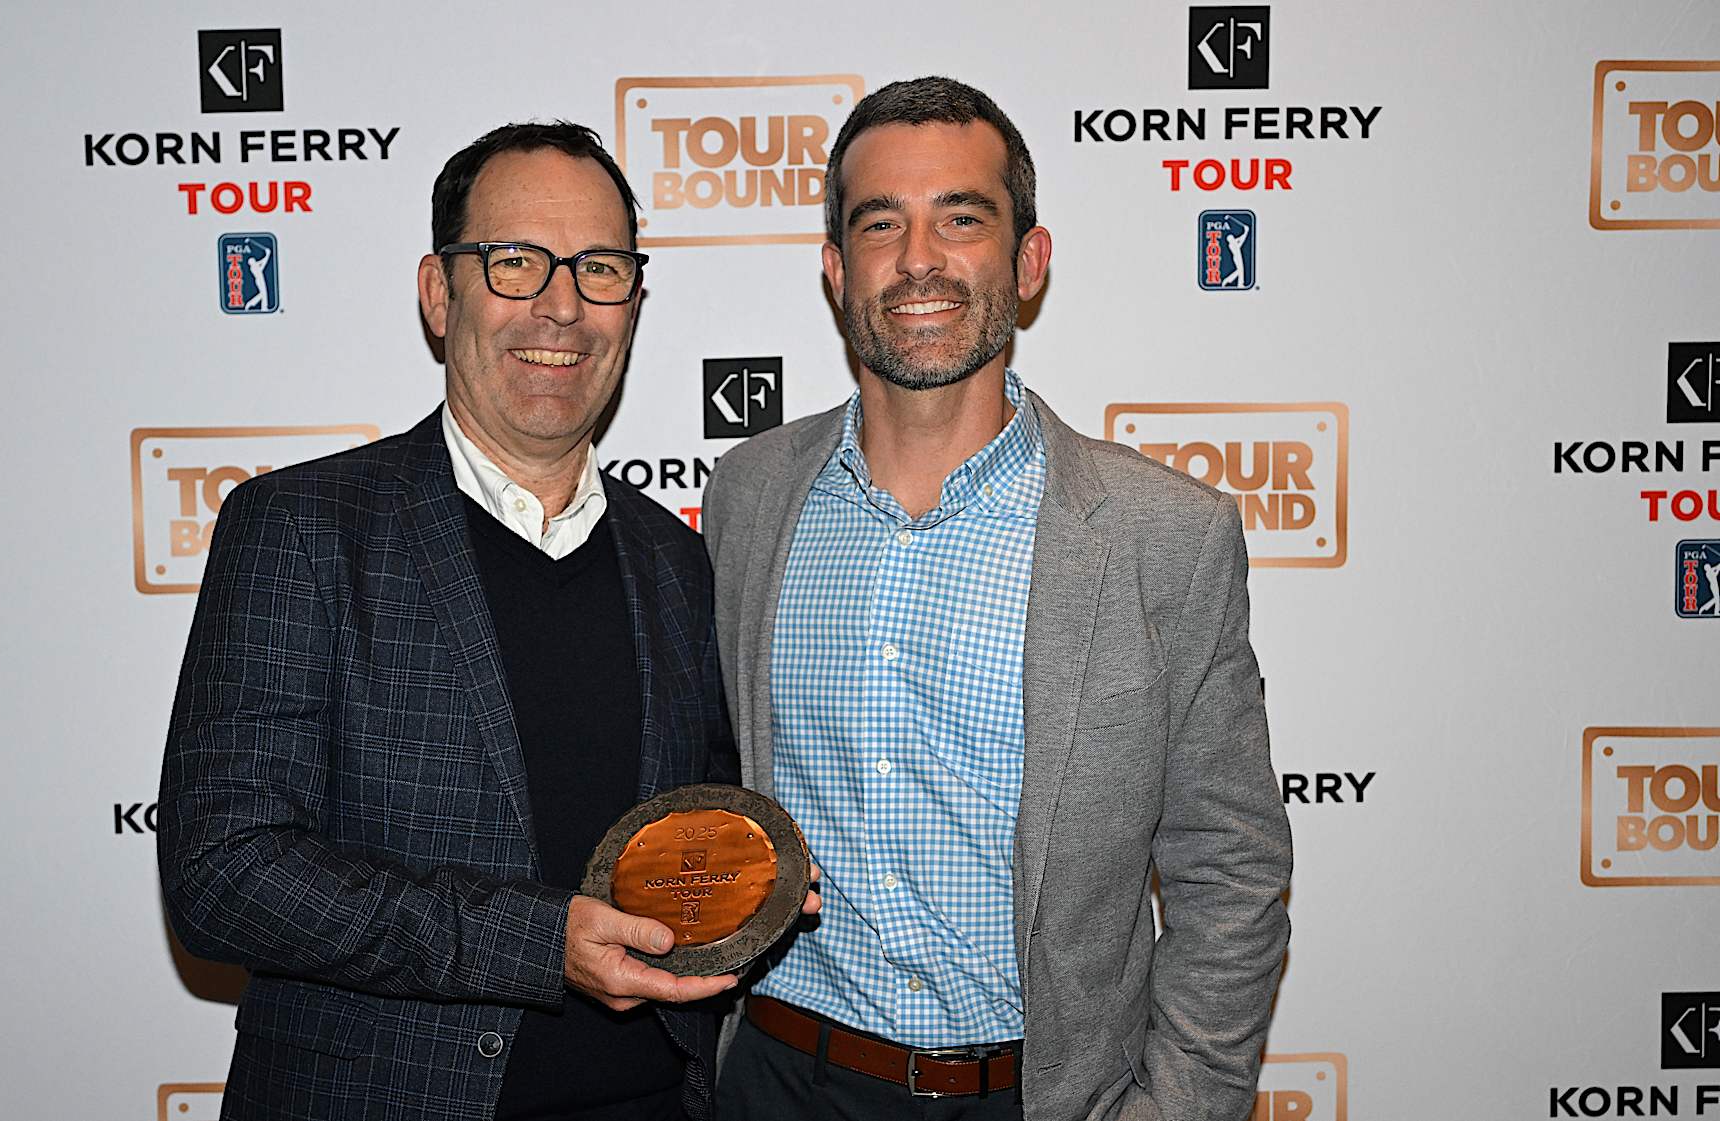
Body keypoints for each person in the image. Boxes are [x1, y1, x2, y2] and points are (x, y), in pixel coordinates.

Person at [704, 77, 1293, 1120]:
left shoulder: (1165, 534)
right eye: (880, 222)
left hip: (1040, 1096)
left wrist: (1181, 1105)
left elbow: (1229, 865)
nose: (918, 258)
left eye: (960, 218)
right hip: (778, 1081)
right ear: (838, 271)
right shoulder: (751, 497)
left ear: (1028, 262)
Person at [159, 121, 744, 1121]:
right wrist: (535, 941)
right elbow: (225, 869)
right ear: (440, 293)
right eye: (515, 262)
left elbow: (699, 829)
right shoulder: (301, 528)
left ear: (634, 305)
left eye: (600, 268)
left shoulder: (677, 557)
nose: (562, 305)